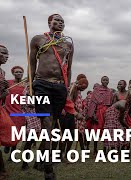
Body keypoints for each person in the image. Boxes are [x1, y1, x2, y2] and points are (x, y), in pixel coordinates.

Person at [29, 14, 73, 179]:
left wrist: (66, 88)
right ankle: (48, 167)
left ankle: (41, 160)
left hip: (60, 86)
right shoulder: (38, 40)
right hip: (42, 84)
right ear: (49, 23)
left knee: (52, 124)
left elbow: (68, 69)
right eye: (57, 20)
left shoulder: (68, 44)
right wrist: (31, 86)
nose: (60, 22)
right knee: (47, 123)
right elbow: (32, 64)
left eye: (63, 21)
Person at [86, 76, 113, 156]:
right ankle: (95, 150)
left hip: (107, 112)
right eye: (104, 80)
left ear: (108, 81)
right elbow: (92, 103)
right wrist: (93, 114)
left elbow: (111, 103)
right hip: (98, 112)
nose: (105, 81)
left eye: (107, 80)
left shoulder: (110, 91)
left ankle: (105, 150)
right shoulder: (96, 90)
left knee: (106, 132)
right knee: (96, 132)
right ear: (101, 81)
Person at [4, 66, 26, 161]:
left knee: (16, 133)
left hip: (19, 111)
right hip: (8, 109)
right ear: (13, 73)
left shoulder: (25, 85)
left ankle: (12, 154)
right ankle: (7, 145)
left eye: (20, 72)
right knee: (7, 128)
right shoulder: (8, 83)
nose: (19, 73)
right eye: (17, 72)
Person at [0, 44, 9, 180]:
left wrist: (4, 92)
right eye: (3, 53)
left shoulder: (2, 72)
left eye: (7, 54)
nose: (6, 56)